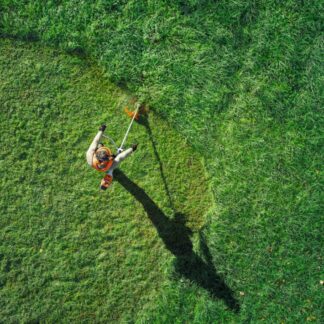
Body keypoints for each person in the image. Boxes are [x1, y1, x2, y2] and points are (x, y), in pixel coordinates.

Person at [86, 124, 138, 190]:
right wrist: (132, 149)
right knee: (110, 170)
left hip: (97, 159)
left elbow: (95, 141)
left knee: (98, 144)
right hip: (107, 167)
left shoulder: (89, 155)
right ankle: (106, 181)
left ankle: (100, 146)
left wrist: (101, 130)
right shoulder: (111, 165)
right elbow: (120, 158)